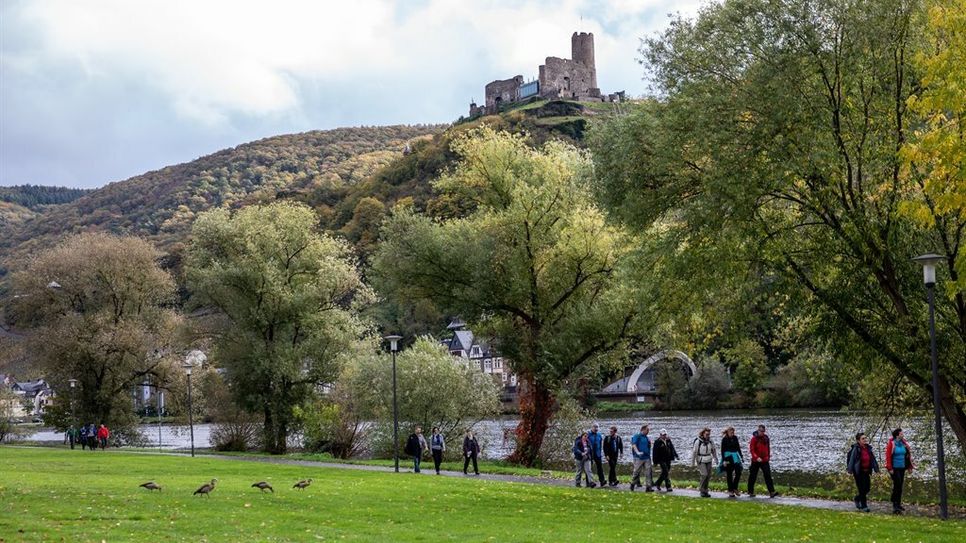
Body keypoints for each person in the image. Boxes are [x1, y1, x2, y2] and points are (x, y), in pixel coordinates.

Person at [847, 432, 880, 512]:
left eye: (865, 438)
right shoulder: (856, 449)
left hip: (867, 471)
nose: (865, 440)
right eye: (863, 438)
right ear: (858, 441)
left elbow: (872, 459)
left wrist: (876, 469)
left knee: (867, 488)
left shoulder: (868, 448)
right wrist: (849, 471)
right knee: (861, 489)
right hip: (858, 472)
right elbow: (852, 460)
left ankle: (857, 498)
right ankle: (864, 506)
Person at [885, 428, 914, 514]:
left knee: (900, 485)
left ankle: (898, 503)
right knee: (897, 484)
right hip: (894, 468)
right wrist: (890, 468)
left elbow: (908, 455)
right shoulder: (892, 443)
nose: (903, 435)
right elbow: (888, 456)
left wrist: (909, 466)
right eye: (901, 434)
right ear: (897, 435)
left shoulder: (903, 443)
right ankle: (895, 504)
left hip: (902, 467)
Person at [747, 424, 778, 498]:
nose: (762, 432)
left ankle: (771, 492)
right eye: (761, 431)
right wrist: (756, 457)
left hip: (764, 460)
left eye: (763, 431)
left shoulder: (766, 438)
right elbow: (752, 449)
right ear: (758, 430)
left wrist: (768, 456)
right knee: (753, 476)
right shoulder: (754, 439)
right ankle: (750, 491)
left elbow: (768, 448)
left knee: (768, 475)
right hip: (756, 460)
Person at [692, 427, 718, 498]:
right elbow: (694, 452)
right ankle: (701, 489)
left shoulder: (710, 441)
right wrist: (693, 462)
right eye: (706, 434)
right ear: (703, 434)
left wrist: (716, 458)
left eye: (709, 434)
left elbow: (713, 450)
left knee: (708, 476)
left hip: (709, 459)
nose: (708, 435)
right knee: (704, 474)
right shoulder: (698, 441)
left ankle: (705, 491)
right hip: (701, 459)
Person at [721, 426, 743, 497]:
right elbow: (722, 450)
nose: (732, 433)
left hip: (735, 457)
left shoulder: (735, 438)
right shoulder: (724, 439)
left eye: (733, 432)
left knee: (738, 471)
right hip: (728, 457)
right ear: (727, 432)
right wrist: (724, 460)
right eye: (731, 432)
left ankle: (735, 487)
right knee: (729, 474)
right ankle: (730, 490)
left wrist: (741, 456)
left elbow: (738, 447)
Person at [630, 424, 653, 491]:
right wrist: (637, 452)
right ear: (643, 429)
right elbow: (634, 444)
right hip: (639, 458)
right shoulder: (637, 436)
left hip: (647, 457)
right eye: (647, 430)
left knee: (648, 472)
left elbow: (648, 446)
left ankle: (648, 487)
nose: (648, 431)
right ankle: (632, 484)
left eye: (648, 430)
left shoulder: (646, 437)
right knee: (636, 472)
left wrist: (650, 444)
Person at [587, 423, 606, 487]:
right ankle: (589, 482)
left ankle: (602, 481)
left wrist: (600, 453)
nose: (596, 429)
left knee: (600, 467)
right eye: (595, 427)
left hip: (597, 454)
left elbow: (600, 444)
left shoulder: (599, 435)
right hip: (590, 454)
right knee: (589, 468)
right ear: (591, 427)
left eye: (597, 427)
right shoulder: (588, 435)